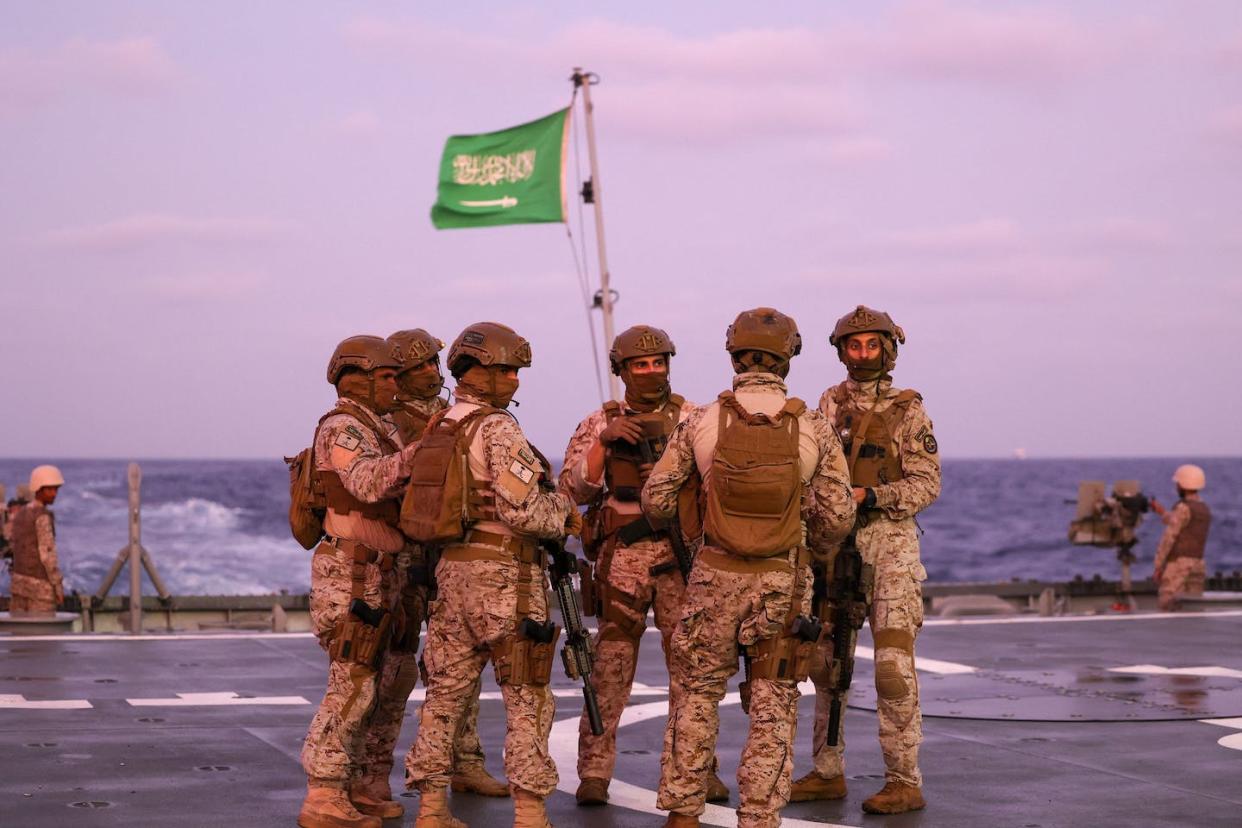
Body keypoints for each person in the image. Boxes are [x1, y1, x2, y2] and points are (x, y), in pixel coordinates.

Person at [642, 307, 855, 828]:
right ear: (789, 356)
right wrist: (808, 544)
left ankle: (684, 814)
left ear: (734, 354)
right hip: (781, 581)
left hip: (714, 574)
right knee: (773, 703)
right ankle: (759, 817)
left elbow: (655, 499)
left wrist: (700, 532)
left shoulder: (702, 419)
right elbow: (838, 515)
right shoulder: (812, 425)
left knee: (695, 695)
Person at [405, 322, 579, 828]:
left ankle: (432, 809)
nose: (514, 380)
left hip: (452, 574)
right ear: (474, 370)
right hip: (505, 577)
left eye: (516, 370)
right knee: (527, 696)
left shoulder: (441, 425)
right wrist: (563, 511)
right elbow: (523, 511)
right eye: (504, 369)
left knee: (444, 698)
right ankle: (530, 814)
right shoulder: (497, 428)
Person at [559, 325, 728, 807]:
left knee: (692, 670)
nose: (651, 372)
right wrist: (604, 445)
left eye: (658, 363)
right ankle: (594, 771)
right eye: (640, 364)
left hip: (681, 558)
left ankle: (697, 769)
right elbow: (572, 489)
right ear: (622, 370)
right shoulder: (600, 421)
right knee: (609, 666)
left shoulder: (696, 418)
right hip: (622, 561)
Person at [793, 305, 941, 815]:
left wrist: (870, 496)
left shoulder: (909, 410)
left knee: (892, 668)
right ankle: (827, 770)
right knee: (826, 666)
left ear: (888, 348)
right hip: (833, 545)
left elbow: (927, 483)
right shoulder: (826, 405)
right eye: (853, 346)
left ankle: (904, 779)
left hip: (890, 547)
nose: (862, 355)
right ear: (841, 351)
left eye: (871, 345)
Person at [367, 329, 507, 801]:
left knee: (459, 667)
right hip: (405, 557)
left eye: (432, 362)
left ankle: (464, 760)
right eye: (417, 367)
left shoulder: (456, 415)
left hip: (450, 554)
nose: (431, 371)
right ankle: (370, 774)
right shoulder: (387, 425)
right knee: (392, 668)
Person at [299, 335, 420, 828]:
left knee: (390, 679)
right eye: (388, 376)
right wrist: (421, 453)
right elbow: (368, 482)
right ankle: (324, 792)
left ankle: (363, 782)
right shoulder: (343, 428)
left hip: (384, 572)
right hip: (350, 574)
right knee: (352, 681)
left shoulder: (382, 427)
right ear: (357, 379)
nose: (397, 384)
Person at [1150, 464, 1211, 612]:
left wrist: (1158, 566)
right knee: (1193, 608)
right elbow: (1184, 525)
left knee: (1168, 604)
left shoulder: (1183, 508)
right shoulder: (1203, 509)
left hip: (1179, 566)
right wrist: (1162, 512)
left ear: (1182, 485)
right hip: (1198, 564)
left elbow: (1169, 537)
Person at [9, 466, 66, 615]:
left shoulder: (20, 514)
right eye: (49, 489)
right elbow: (47, 555)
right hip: (40, 590)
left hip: (18, 586)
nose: (54, 494)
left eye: (56, 489)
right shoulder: (42, 516)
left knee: (19, 634)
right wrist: (58, 586)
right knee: (43, 635)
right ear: (38, 489)